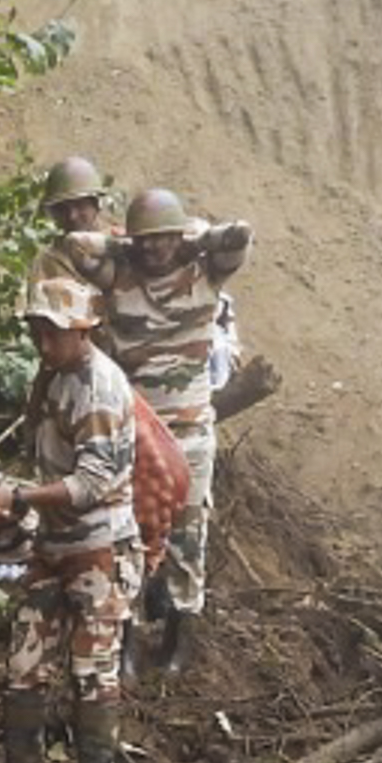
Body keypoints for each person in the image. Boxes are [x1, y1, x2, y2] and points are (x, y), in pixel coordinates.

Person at [0, 273, 144, 763]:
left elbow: (91, 486)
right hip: (55, 546)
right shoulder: (53, 375)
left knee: (92, 667)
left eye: (52, 332)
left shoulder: (100, 389)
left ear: (82, 331)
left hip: (101, 548)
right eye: (37, 331)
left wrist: (21, 498)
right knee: (25, 661)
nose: (43, 343)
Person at [78, 184, 252, 673]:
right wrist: (123, 242)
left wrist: (196, 237)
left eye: (163, 237)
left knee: (187, 534)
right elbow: (75, 248)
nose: (155, 247)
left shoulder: (206, 272)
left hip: (191, 428)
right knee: (129, 530)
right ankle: (127, 634)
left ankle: (180, 634)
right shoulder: (120, 275)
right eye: (146, 239)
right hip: (136, 426)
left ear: (180, 236)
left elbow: (240, 236)